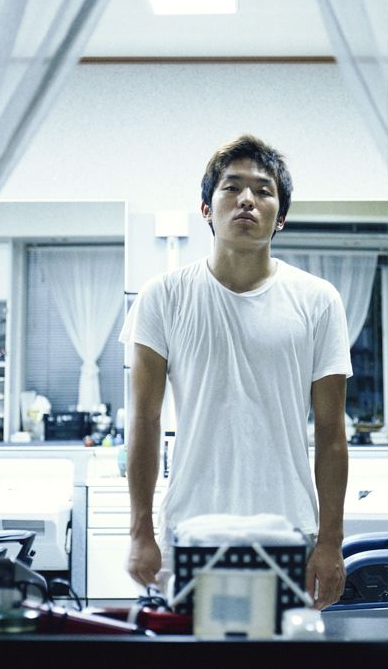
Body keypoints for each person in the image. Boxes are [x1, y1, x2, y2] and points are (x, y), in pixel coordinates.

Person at [120, 134, 352, 611]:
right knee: (194, 654)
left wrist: (331, 541)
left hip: (289, 529)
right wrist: (141, 530)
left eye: (264, 191)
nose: (247, 199)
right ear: (206, 208)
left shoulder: (318, 299)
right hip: (192, 528)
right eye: (232, 187)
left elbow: (331, 432)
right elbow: (144, 419)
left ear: (280, 216)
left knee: (282, 653)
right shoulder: (163, 295)